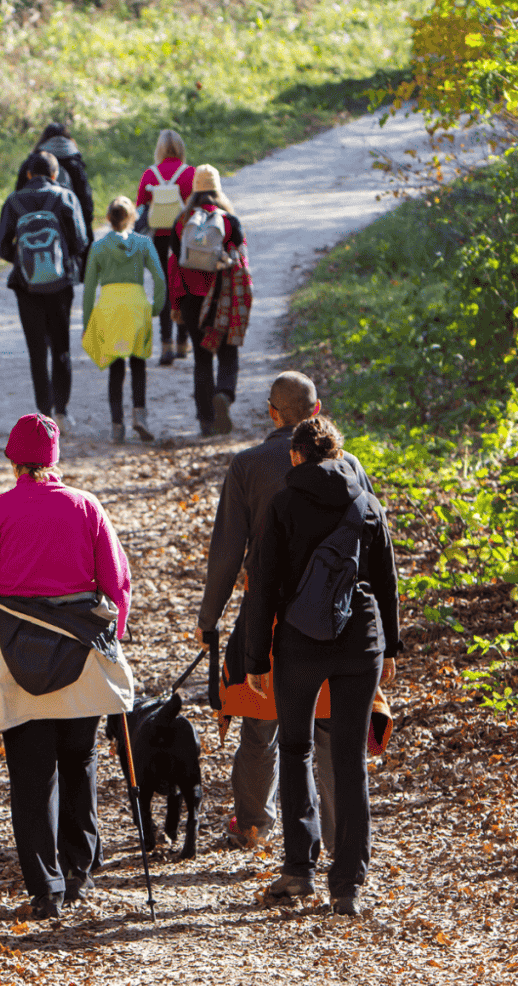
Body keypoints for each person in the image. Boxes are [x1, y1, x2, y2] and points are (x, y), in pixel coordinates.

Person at [0, 414, 134, 919]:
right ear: (55, 460)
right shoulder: (86, 506)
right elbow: (117, 585)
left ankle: (45, 888)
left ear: (12, 460)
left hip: (16, 658)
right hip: (80, 657)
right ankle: (80, 870)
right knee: (79, 759)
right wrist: (111, 641)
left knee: (31, 772)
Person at [195, 372, 375, 853]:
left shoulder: (249, 466)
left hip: (272, 615)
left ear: (272, 412)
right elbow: (372, 545)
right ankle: (337, 837)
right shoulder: (351, 465)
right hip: (340, 614)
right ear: (318, 412)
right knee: (331, 727)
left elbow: (228, 550)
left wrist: (209, 618)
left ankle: (254, 821)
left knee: (263, 723)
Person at [244, 415, 400, 916]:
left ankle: (298, 869)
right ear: (335, 453)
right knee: (350, 761)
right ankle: (347, 885)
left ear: (295, 455)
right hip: (361, 642)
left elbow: (263, 583)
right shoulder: (365, 500)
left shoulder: (284, 504)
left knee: (295, 748)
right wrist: (391, 647)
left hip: (300, 642)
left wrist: (254, 657)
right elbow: (386, 579)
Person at [0, 151, 89, 434]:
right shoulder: (65, 198)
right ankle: (62, 412)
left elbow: (2, 248)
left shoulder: (13, 201)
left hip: (26, 288)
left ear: (27, 174)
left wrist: (27, 264)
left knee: (37, 352)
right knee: (61, 349)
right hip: (61, 286)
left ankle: (44, 414)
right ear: (54, 175)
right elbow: (80, 242)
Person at [82, 196, 166, 443]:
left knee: (115, 367)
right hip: (136, 306)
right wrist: (155, 308)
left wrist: (88, 323)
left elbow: (88, 290)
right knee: (138, 364)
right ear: (132, 218)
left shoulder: (98, 248)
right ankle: (140, 415)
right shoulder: (144, 244)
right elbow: (160, 279)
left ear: (108, 218)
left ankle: (116, 425)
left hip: (109, 308)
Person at [168, 164, 244, 435]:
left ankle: (206, 420)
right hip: (220, 298)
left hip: (191, 301)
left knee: (201, 359)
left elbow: (174, 266)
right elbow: (241, 264)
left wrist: (175, 304)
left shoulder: (181, 221)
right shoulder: (229, 221)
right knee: (227, 351)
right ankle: (224, 393)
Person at [135, 129, 195, 366]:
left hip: (157, 237)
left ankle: (166, 343)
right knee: (183, 286)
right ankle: (183, 341)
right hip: (183, 236)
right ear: (181, 149)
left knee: (163, 287)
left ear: (159, 149)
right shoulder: (190, 173)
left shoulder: (150, 174)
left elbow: (140, 206)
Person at [15, 123, 95, 281]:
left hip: (32, 231)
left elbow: (19, 194)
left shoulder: (31, 163)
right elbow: (86, 204)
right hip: (64, 230)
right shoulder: (74, 163)